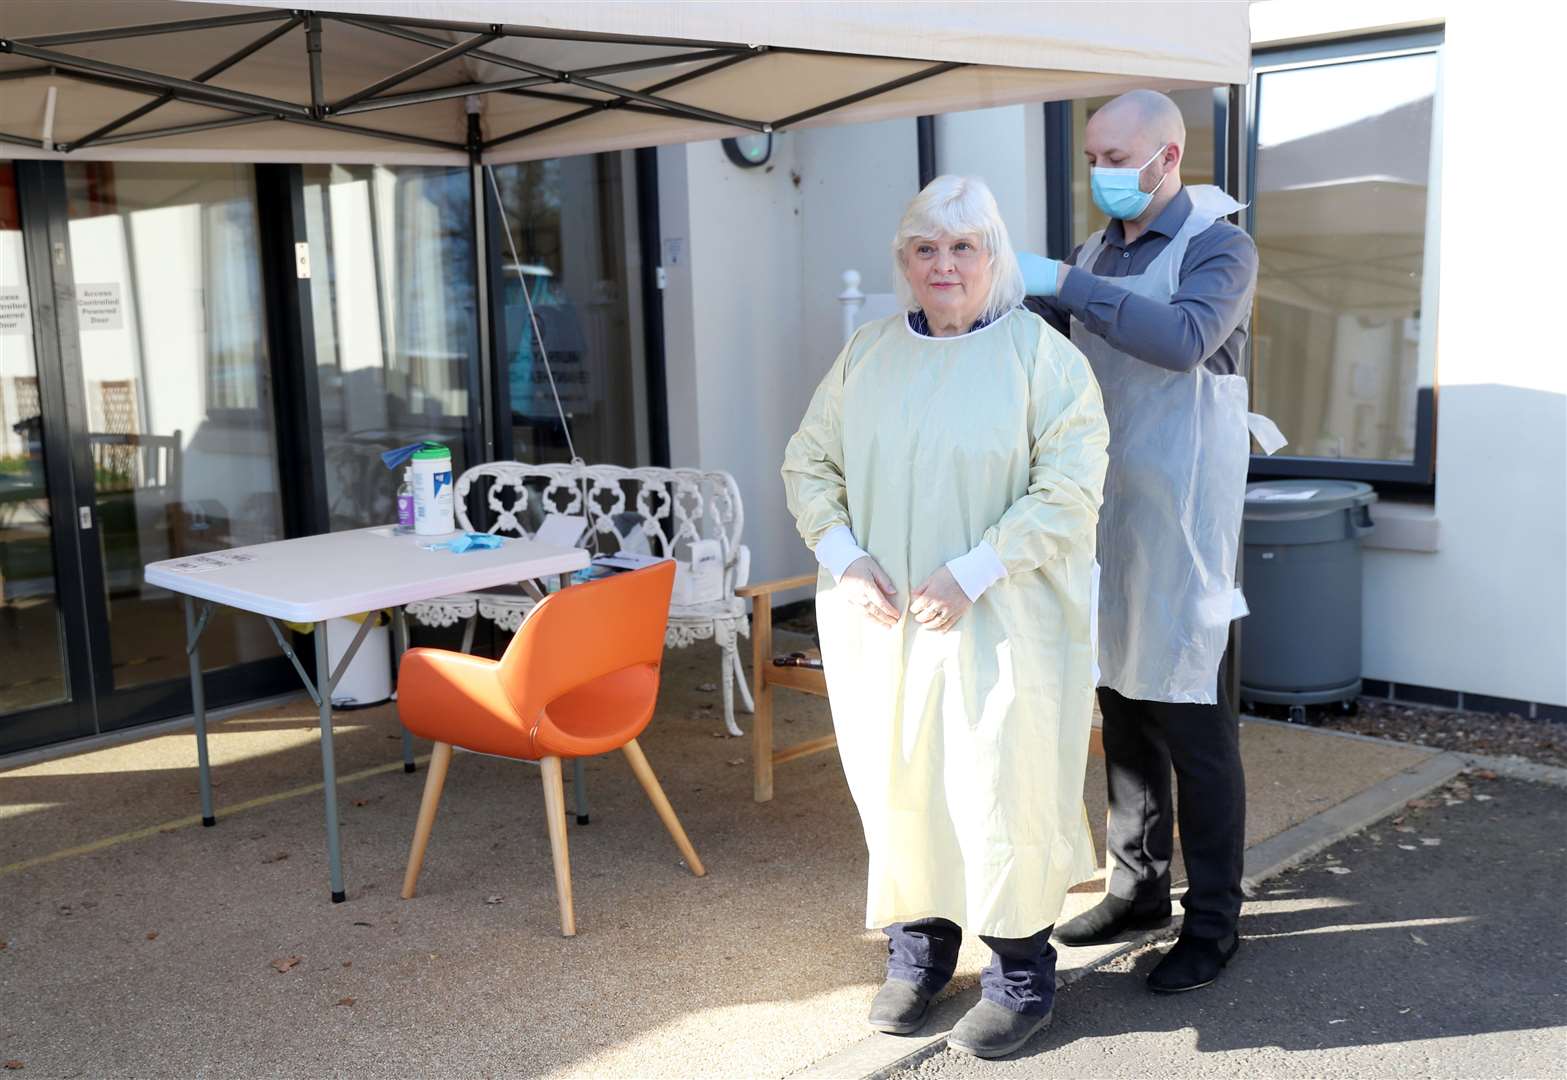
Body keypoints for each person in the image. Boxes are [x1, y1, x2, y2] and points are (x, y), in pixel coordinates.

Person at [782, 176, 1109, 1059]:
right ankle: (918, 952)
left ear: (993, 258)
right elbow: (809, 463)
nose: (943, 264)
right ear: (904, 262)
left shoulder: (1043, 361)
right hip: (884, 624)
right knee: (903, 778)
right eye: (924, 249)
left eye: (963, 247)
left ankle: (1017, 972)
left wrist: (973, 571)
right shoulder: (868, 353)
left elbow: (1070, 490)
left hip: (1005, 619)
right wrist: (845, 557)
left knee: (1001, 779)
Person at [1018, 89, 1269, 994]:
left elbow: (1185, 338)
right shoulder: (1096, 250)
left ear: (1168, 157)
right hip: (1103, 505)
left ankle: (1214, 924)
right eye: (1090, 159)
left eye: (1114, 158)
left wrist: (1064, 283)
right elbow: (1056, 346)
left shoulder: (1218, 245)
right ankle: (1136, 890)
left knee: (1188, 714)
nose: (1100, 175)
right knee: (1120, 701)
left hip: (1183, 518)